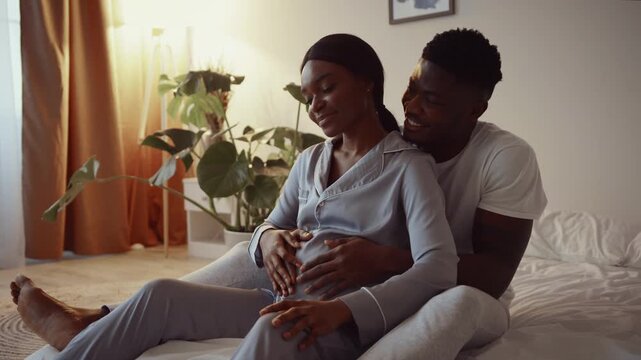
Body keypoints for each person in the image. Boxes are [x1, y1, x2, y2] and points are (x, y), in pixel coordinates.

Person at [12, 28, 547, 359]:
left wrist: (363, 284)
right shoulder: (313, 158)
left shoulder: (418, 166)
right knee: (161, 293)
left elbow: (443, 271)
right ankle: (96, 327)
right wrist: (266, 240)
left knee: (278, 332)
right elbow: (271, 221)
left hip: (344, 310)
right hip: (284, 297)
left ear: (366, 84)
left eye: (328, 87)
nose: (414, 106)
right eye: (413, 89)